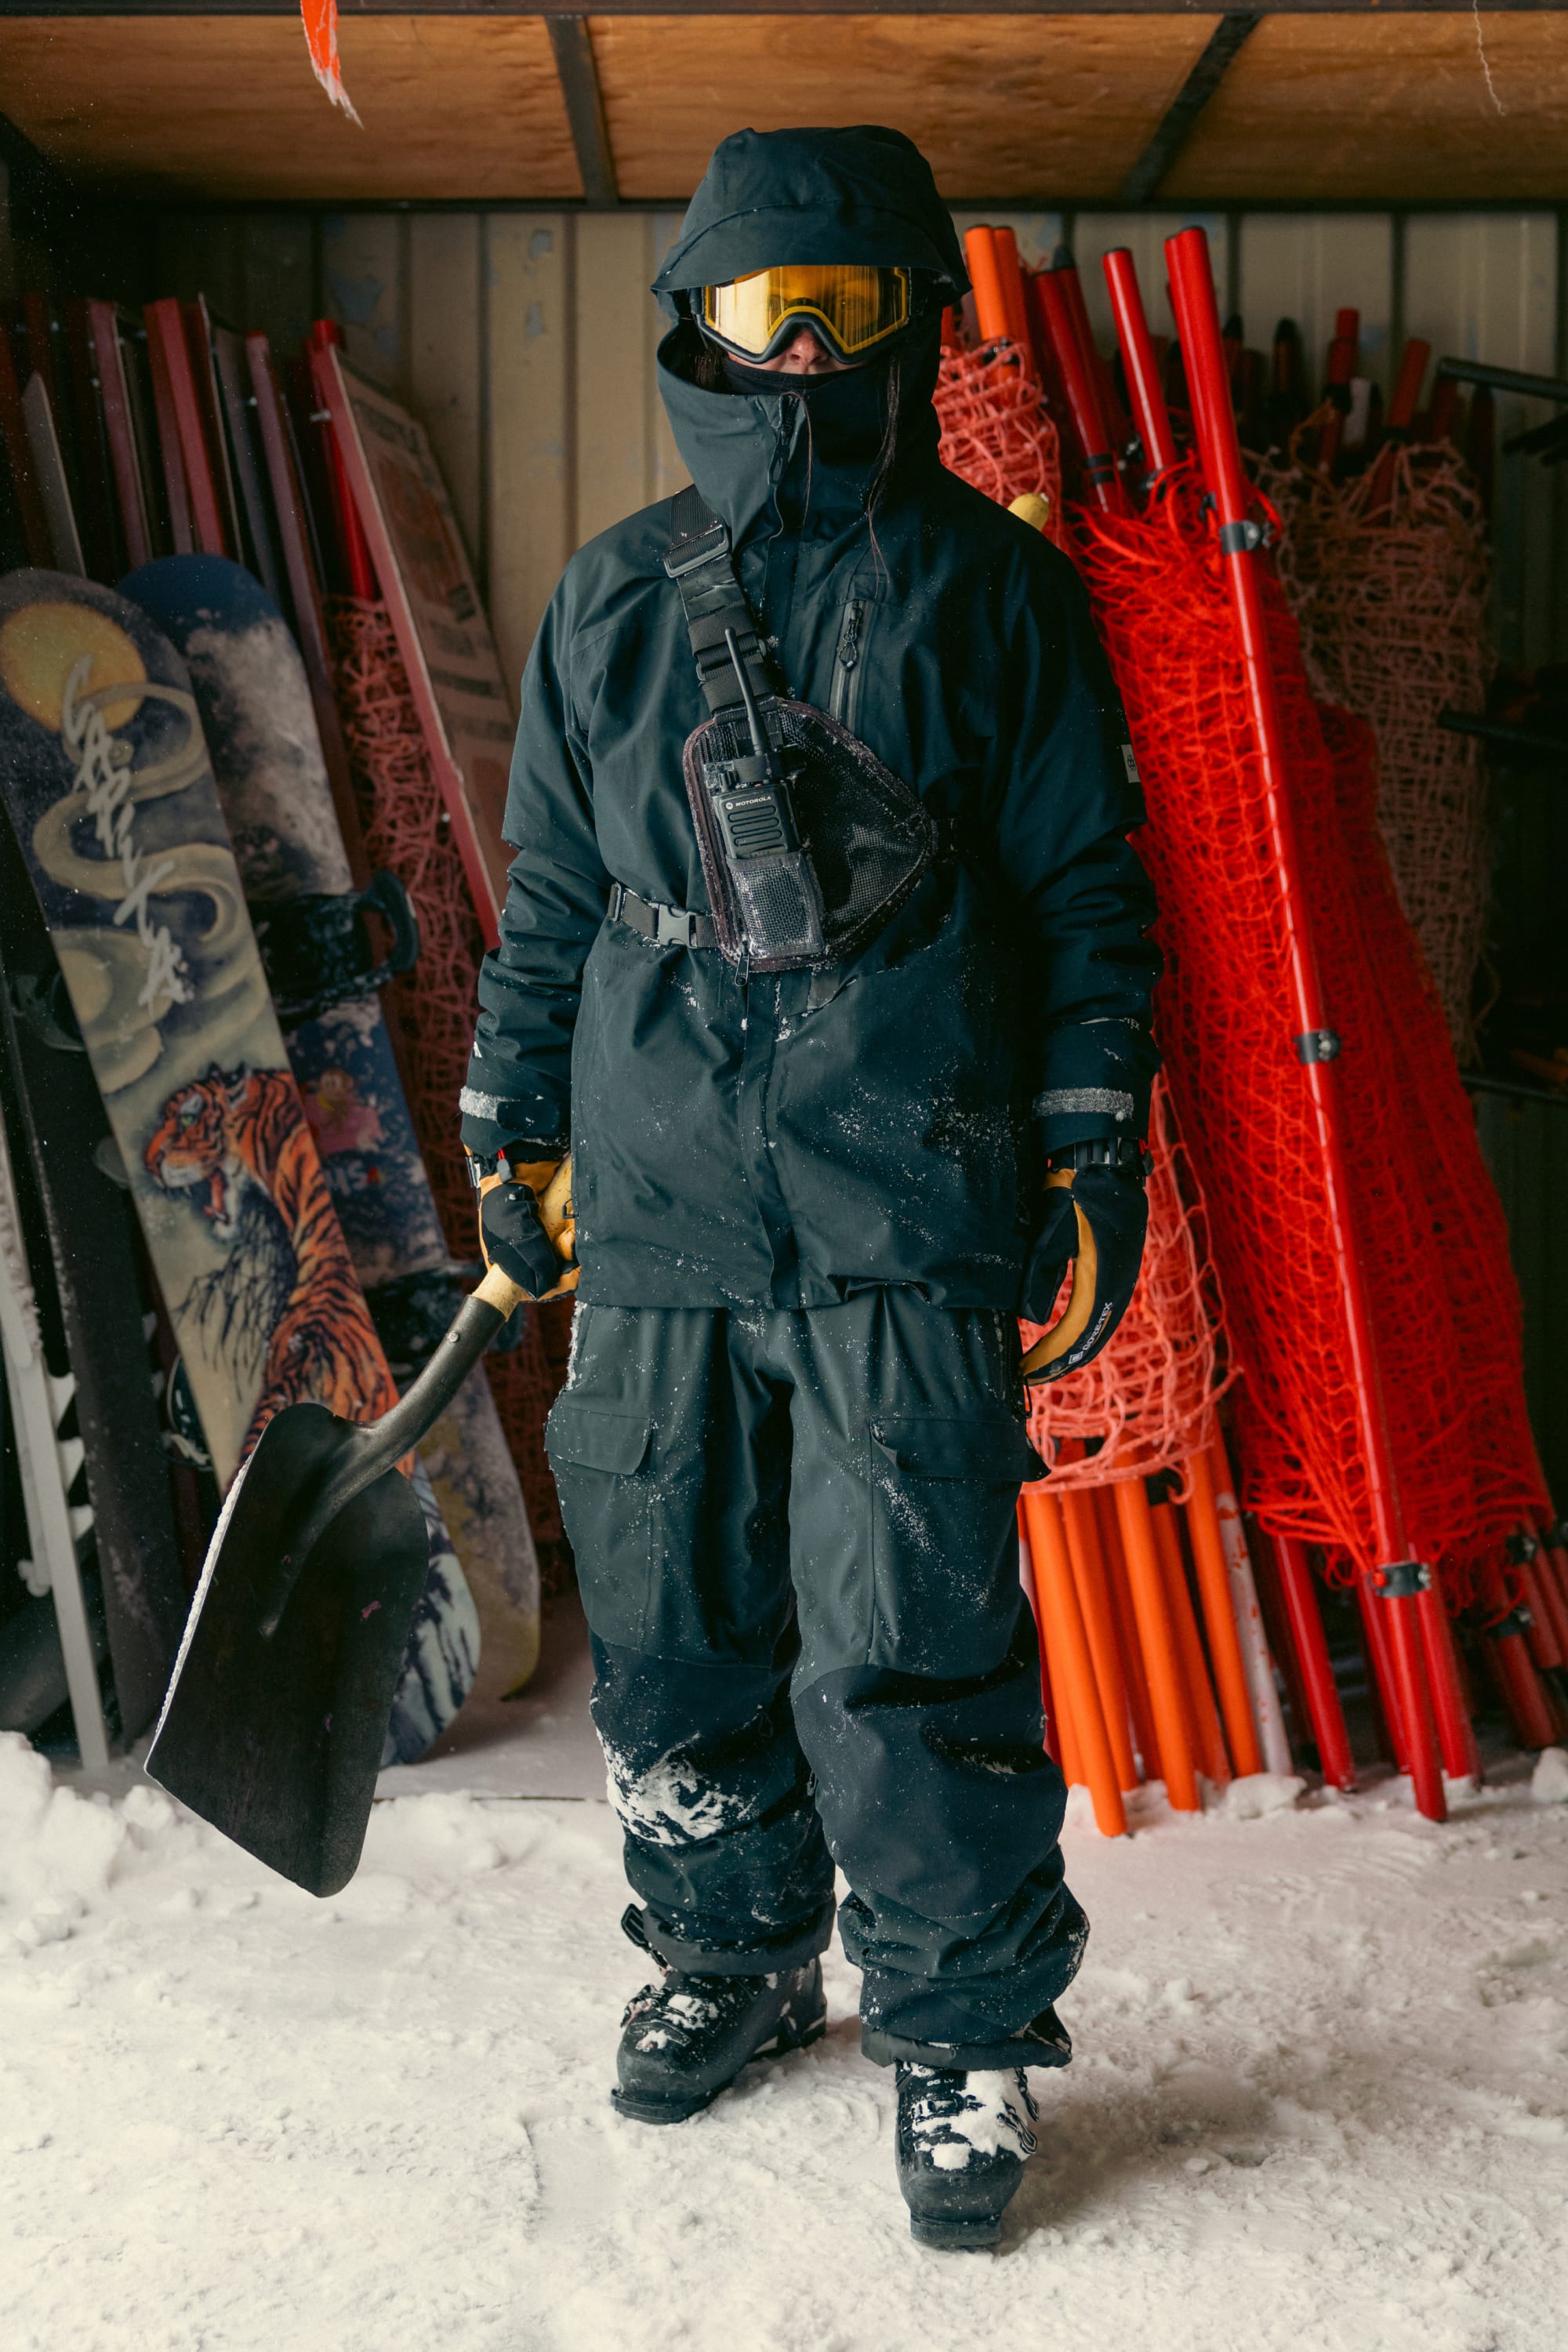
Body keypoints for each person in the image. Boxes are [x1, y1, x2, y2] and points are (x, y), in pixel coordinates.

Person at [461, 125, 1160, 2250]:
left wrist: (1091, 1144)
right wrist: (514, 1127)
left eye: (844, 312)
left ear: (909, 325)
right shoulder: (609, 598)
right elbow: (557, 900)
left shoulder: (1005, 593)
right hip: (663, 1196)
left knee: (913, 1639)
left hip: (901, 1196)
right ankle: (730, 1951)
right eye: (767, 310)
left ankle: (954, 2038)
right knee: (672, 1622)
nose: (800, 353)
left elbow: (1087, 898)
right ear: (695, 322)